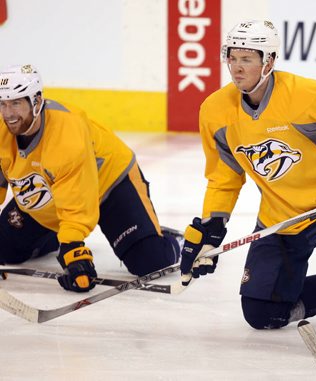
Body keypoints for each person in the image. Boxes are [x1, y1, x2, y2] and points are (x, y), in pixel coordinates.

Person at [179, 20, 316, 331]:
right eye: (232, 57)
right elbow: (224, 176)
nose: (236, 68)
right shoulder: (215, 111)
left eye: (247, 59)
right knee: (262, 312)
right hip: (278, 219)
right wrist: (212, 226)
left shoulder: (304, 96)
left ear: (268, 61)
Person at [0, 64, 182, 292]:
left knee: (149, 261)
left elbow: (76, 201)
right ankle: (53, 237)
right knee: (5, 250)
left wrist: (73, 251)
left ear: (36, 101)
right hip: (48, 194)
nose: (8, 114)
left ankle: (169, 238)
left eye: (16, 103)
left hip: (109, 185)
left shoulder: (66, 133)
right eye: (3, 104)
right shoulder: (1, 128)